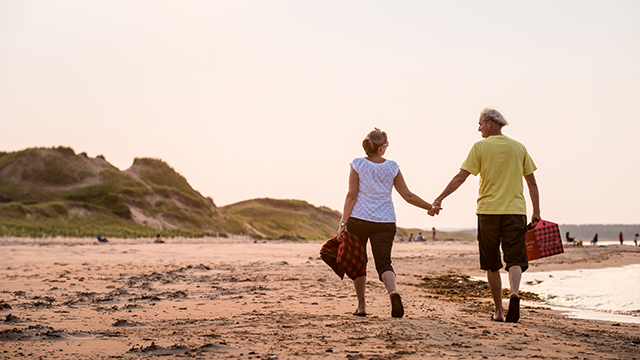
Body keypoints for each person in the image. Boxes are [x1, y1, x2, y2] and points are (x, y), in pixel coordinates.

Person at [429, 108, 540, 323]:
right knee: (515, 258)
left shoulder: (480, 147)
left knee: (491, 263)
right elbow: (532, 182)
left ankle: (499, 311)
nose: (478, 128)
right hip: (515, 211)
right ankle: (514, 293)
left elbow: (460, 177)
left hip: (488, 212)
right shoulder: (519, 147)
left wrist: (439, 198)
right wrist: (536, 211)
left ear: (490, 123)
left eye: (480, 124)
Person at [338, 128, 436, 318]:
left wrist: (343, 223)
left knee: (360, 263)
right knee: (384, 262)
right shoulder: (392, 167)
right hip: (385, 221)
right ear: (382, 148)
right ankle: (393, 293)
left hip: (359, 220)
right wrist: (429, 207)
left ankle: (362, 306)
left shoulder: (357, 164)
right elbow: (407, 196)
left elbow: (351, 195)